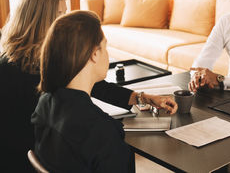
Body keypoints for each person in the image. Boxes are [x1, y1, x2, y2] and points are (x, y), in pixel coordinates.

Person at [0, 0, 177, 172]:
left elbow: (95, 86)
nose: (65, 21)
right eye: (60, 14)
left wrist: (141, 97)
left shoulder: (50, 74)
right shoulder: (14, 70)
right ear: (40, 19)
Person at [32, 10, 173, 172]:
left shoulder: (44, 103)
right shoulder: (102, 132)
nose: (108, 54)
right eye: (105, 47)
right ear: (94, 54)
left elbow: (104, 90)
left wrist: (143, 98)